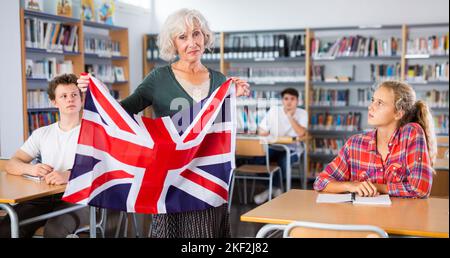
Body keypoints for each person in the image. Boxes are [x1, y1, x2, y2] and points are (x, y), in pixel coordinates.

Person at [76, 8, 250, 238]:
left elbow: (221, 128)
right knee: (168, 232)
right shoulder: (158, 78)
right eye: (183, 37)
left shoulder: (220, 80)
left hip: (206, 175)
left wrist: (235, 95)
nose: (192, 42)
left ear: (205, 36)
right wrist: (100, 95)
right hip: (168, 175)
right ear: (173, 43)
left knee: (205, 234)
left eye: (196, 34)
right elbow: (121, 113)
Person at [0, 74, 90, 238]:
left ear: (81, 99)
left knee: (54, 231)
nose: (70, 99)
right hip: (44, 197)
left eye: (74, 95)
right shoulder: (42, 133)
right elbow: (11, 164)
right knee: (6, 229)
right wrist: (31, 169)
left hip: (79, 198)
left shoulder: (92, 132)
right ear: (54, 102)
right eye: (63, 96)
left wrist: (69, 175)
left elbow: (104, 169)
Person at [314, 80, 436, 198]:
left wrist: (375, 187)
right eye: (373, 100)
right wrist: (351, 185)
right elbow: (320, 182)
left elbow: (420, 189)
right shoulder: (355, 143)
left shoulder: (411, 133)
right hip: (362, 217)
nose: (370, 107)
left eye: (380, 103)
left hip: (399, 217)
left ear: (398, 113)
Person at [252, 88, 308, 204]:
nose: (289, 102)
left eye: (292, 99)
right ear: (282, 100)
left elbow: (301, 133)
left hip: (292, 149)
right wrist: (262, 131)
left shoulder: (303, 113)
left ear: (297, 101)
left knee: (283, 162)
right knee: (257, 160)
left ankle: (271, 190)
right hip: (273, 146)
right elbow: (261, 129)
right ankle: (275, 189)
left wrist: (289, 117)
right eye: (286, 99)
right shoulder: (274, 111)